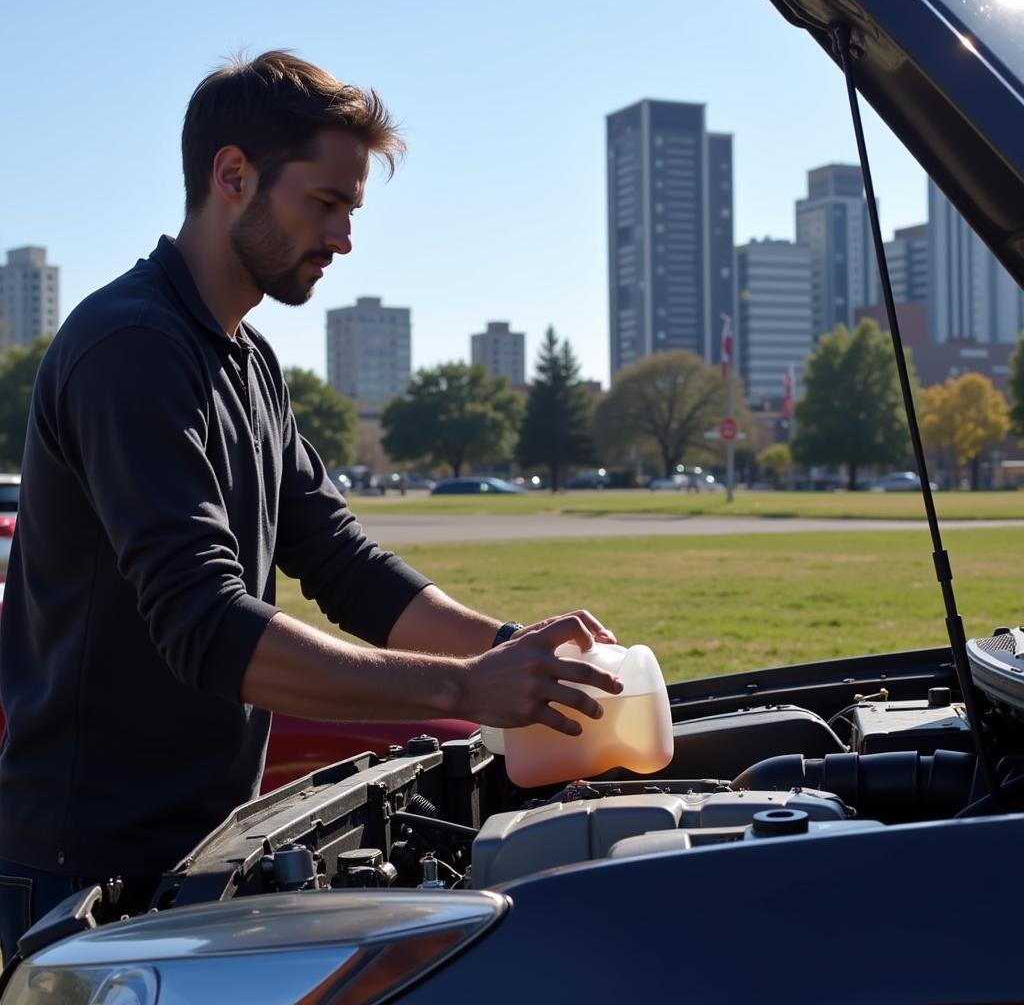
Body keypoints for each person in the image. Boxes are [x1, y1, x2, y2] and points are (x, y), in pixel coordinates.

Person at [0, 50, 621, 958]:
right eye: (324, 204)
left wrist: (508, 650)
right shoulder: (129, 348)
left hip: (200, 844)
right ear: (233, 174)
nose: (343, 236)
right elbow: (203, 622)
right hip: (83, 867)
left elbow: (342, 562)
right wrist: (461, 689)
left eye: (351, 210)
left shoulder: (248, 360)